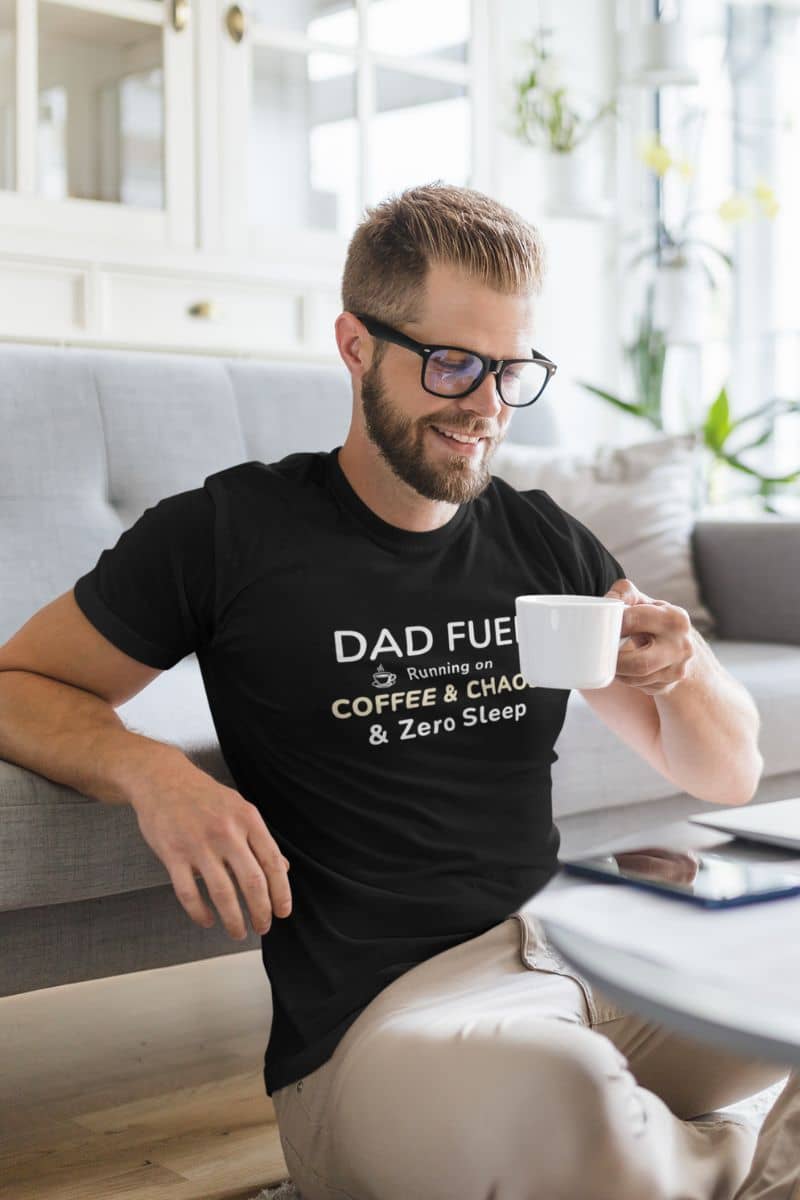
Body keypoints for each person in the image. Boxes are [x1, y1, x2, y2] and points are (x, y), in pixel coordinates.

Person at [0, 182, 797, 1199]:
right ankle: (722, 1152)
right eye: (453, 362)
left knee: (599, 1093)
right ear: (353, 345)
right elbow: (18, 681)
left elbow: (723, 772)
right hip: (387, 1023)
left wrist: (682, 669)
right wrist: (154, 772)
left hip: (584, 963)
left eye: (511, 371)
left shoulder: (538, 536)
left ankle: (672, 1151)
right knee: (567, 1107)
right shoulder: (226, 533)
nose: (487, 406)